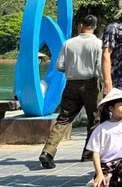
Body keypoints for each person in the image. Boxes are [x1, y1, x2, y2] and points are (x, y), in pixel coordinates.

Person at [40, 14, 103, 169]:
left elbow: (58, 66)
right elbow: (101, 68)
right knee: (94, 120)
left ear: (80, 25)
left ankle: (48, 152)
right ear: (95, 27)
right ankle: (88, 154)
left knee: (63, 119)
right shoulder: (98, 43)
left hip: (71, 84)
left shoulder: (68, 43)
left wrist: (71, 69)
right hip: (91, 84)